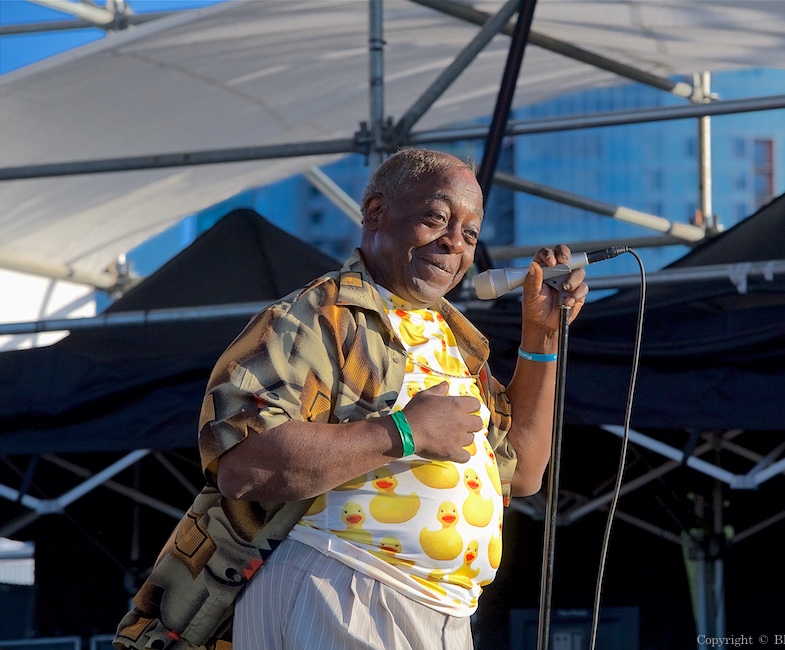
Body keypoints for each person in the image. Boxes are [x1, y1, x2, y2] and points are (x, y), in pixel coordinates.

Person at [113, 148, 589, 650]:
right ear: (377, 213)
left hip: (441, 611)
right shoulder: (319, 315)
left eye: (470, 233)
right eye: (436, 218)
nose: (454, 243)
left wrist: (543, 336)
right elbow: (243, 465)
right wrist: (405, 432)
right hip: (342, 585)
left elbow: (526, 471)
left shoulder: (457, 341)